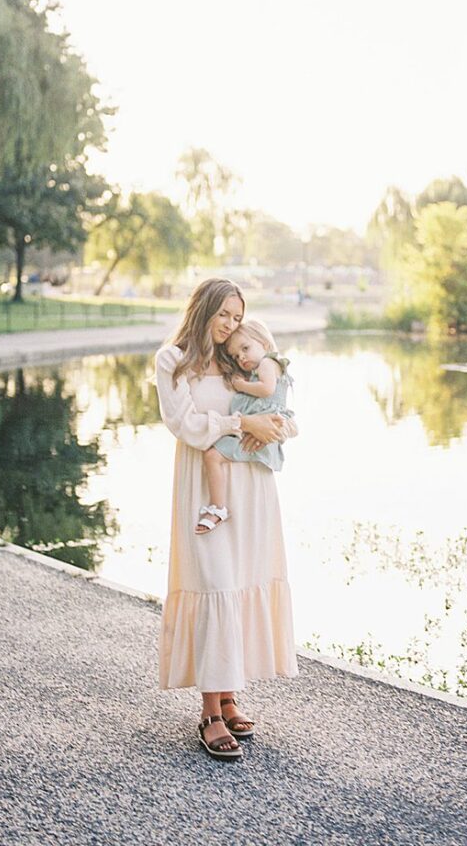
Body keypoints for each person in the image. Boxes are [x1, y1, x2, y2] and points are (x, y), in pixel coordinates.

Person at [154, 279, 299, 761]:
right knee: (214, 582)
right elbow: (186, 424)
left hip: (252, 485)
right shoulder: (174, 361)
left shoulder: (243, 354)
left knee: (238, 583)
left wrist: (276, 427)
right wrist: (242, 424)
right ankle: (209, 712)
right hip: (205, 484)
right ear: (204, 308)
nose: (231, 326)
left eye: (237, 318)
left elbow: (283, 403)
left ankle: (229, 694)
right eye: (224, 315)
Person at [195, 318, 294, 535]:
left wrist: (241, 385)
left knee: (212, 456)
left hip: (260, 435)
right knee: (213, 457)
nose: (242, 357)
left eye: (246, 348)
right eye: (236, 356)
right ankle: (219, 506)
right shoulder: (261, 367)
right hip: (255, 432)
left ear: (264, 344)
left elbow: (267, 389)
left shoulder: (268, 363)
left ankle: (218, 507)